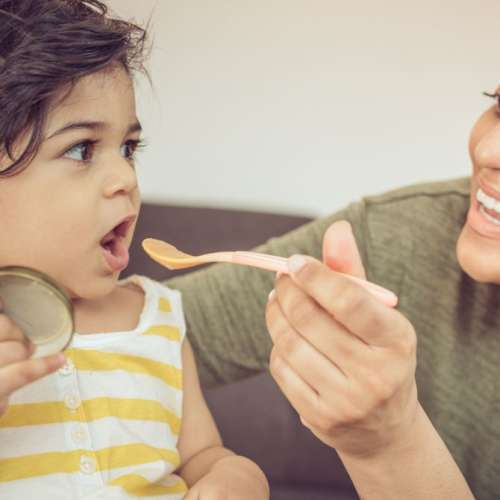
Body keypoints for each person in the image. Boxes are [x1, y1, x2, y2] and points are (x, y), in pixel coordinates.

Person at [166, 93, 500, 497]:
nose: (487, 150)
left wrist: (388, 445)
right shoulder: (406, 231)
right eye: (499, 103)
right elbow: (149, 333)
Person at [0, 1, 269, 499]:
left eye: (128, 148)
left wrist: (234, 475)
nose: (126, 178)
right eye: (81, 149)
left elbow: (202, 455)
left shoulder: (157, 318)